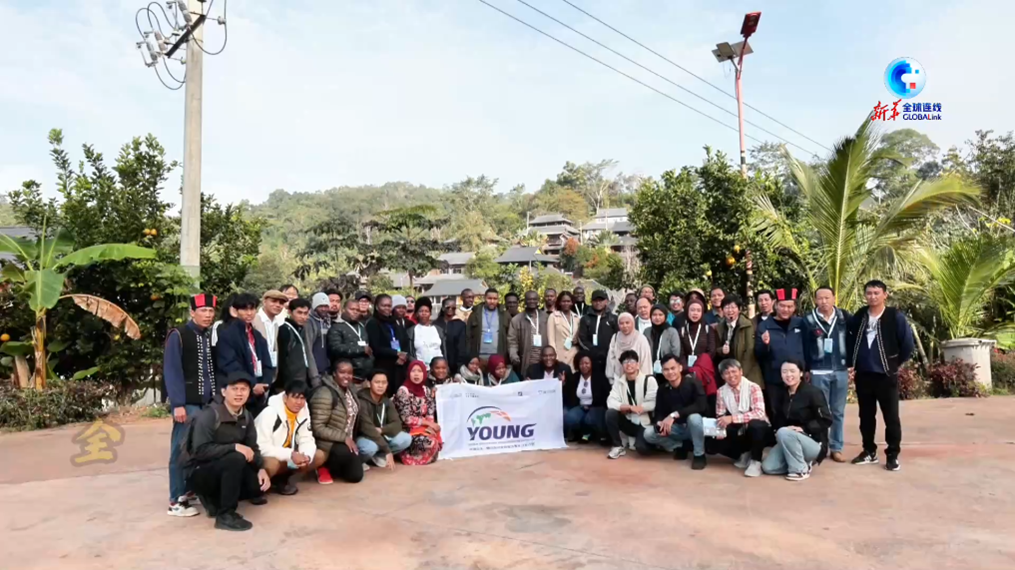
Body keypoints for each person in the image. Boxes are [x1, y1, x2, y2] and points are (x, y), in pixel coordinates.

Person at [181, 371, 270, 531]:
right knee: (236, 458)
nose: (239, 393)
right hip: (200, 472)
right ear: (223, 392)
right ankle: (225, 515)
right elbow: (200, 451)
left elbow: (253, 448)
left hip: (225, 466)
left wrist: (261, 468)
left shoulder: (246, 416)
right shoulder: (209, 415)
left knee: (256, 487)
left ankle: (215, 501)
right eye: (234, 389)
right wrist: (233, 447)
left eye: (243, 389)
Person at [845, 279, 914, 472]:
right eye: (869, 293)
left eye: (876, 293)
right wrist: (851, 362)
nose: (872, 296)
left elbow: (907, 345)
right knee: (866, 416)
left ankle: (892, 454)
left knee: (891, 417)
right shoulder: (860, 315)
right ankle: (869, 451)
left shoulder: (894, 316)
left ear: (885, 295)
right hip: (864, 374)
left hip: (886, 375)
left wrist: (893, 363)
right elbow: (849, 338)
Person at [164, 292, 217, 517]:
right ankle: (175, 501)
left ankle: (188, 490)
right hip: (187, 404)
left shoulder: (207, 335)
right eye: (203, 310)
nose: (208, 315)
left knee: (197, 449)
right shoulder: (179, 334)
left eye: (211, 310)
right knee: (180, 450)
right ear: (192, 312)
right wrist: (178, 403)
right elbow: (172, 371)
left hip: (205, 404)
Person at [762, 359, 832, 481]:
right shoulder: (782, 394)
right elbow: (779, 419)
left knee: (784, 432)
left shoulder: (813, 392)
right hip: (789, 439)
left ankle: (800, 470)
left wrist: (804, 429)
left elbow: (826, 419)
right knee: (768, 468)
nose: (788, 375)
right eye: (784, 371)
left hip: (813, 442)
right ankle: (801, 462)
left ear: (801, 373)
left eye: (792, 371)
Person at [804, 286, 852, 463]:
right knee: (820, 411)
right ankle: (821, 446)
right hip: (818, 371)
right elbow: (804, 345)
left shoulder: (844, 317)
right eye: (820, 298)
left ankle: (836, 447)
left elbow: (852, 340)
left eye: (827, 298)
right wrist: (806, 369)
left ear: (834, 298)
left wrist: (851, 364)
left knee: (838, 411)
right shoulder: (808, 320)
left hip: (840, 370)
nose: (824, 301)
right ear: (815, 300)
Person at [254, 380, 326, 495]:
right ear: (285, 397)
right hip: (267, 456)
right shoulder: (269, 412)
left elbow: (306, 438)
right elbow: (260, 447)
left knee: (318, 455)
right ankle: (257, 487)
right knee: (272, 464)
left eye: (302, 398)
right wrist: (290, 454)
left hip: (288, 455)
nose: (299, 402)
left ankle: (283, 479)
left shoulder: (304, 410)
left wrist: (306, 456)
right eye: (295, 397)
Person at [641, 355, 708, 469]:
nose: (670, 372)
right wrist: (659, 422)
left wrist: (675, 414)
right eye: (666, 369)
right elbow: (659, 411)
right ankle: (681, 446)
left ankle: (699, 454)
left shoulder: (693, 383)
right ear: (662, 371)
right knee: (648, 434)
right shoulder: (662, 389)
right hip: (675, 429)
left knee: (694, 418)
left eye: (673, 368)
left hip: (693, 428)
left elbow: (701, 405)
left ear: (680, 368)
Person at [215, 293, 275, 417]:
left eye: (252, 309)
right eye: (244, 309)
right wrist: (251, 384)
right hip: (238, 393)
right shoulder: (227, 334)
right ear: (235, 311)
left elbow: (267, 364)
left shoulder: (257, 335)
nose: (249, 313)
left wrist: (265, 384)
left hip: (258, 396)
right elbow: (229, 364)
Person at [309, 361, 364, 484]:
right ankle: (323, 466)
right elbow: (317, 427)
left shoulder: (350, 390)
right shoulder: (324, 393)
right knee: (350, 465)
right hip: (328, 443)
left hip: (346, 441)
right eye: (342, 372)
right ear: (334, 373)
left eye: (350, 373)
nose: (347, 376)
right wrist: (343, 438)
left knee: (355, 476)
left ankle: (339, 466)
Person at [715, 359, 771, 478]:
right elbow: (720, 415)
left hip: (759, 428)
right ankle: (745, 453)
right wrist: (720, 429)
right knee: (716, 438)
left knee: (755, 425)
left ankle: (756, 461)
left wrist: (732, 418)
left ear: (741, 371)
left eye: (734, 371)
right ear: (722, 376)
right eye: (727, 373)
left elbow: (759, 413)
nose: (731, 376)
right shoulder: (721, 391)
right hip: (740, 427)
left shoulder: (753, 387)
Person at [755, 288, 808, 415]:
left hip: (797, 377)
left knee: (800, 411)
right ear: (775, 305)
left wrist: (807, 369)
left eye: (790, 306)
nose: (786, 310)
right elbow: (758, 354)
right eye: (782, 306)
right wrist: (765, 344)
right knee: (776, 412)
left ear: (795, 307)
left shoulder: (800, 323)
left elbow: (808, 347)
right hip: (774, 377)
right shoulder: (764, 326)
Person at [605, 349, 658, 459]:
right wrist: (629, 407)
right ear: (622, 366)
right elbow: (610, 401)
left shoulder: (649, 380)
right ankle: (617, 446)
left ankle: (655, 443)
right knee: (610, 413)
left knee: (642, 449)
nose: (628, 364)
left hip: (645, 423)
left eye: (632, 361)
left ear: (638, 365)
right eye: (625, 362)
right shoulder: (619, 383)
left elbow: (653, 403)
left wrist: (641, 408)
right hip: (629, 422)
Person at [356, 370, 412, 469]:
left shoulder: (386, 401)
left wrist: (382, 430)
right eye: (377, 382)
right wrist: (387, 450)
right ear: (369, 383)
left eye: (384, 382)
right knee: (370, 448)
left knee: (406, 439)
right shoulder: (361, 401)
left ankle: (377, 456)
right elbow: (366, 428)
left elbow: (397, 424)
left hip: (381, 434)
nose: (380, 386)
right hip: (365, 436)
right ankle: (359, 461)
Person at [394, 360, 442, 465]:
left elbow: (430, 412)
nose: (416, 374)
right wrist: (427, 424)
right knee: (430, 442)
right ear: (408, 373)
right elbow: (406, 419)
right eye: (413, 371)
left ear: (424, 373)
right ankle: (404, 454)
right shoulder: (403, 391)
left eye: (419, 371)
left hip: (423, 427)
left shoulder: (426, 390)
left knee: (436, 433)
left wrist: (430, 427)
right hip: (406, 429)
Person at [366, 294, 410, 396]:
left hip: (400, 365)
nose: (387, 308)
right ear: (377, 307)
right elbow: (376, 347)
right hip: (383, 365)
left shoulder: (394, 322)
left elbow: (405, 340)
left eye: (389, 306)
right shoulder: (373, 323)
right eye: (384, 305)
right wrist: (396, 354)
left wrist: (403, 355)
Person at [563, 353, 610, 443]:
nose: (584, 366)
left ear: (592, 363)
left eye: (587, 363)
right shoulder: (575, 377)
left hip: (596, 406)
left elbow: (605, 395)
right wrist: (564, 384)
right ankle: (583, 434)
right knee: (569, 418)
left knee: (589, 418)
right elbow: (568, 394)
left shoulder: (599, 377)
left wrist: (591, 407)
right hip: (581, 406)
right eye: (581, 363)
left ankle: (602, 434)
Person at [716, 295, 761, 387]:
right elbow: (715, 348)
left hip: (747, 374)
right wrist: (722, 350)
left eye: (733, 307)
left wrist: (739, 374)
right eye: (727, 307)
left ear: (739, 309)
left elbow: (749, 351)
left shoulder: (748, 325)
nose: (730, 310)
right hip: (728, 375)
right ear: (722, 310)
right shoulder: (719, 327)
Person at [327, 299, 374, 383]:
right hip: (347, 376)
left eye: (358, 310)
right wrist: (361, 350)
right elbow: (336, 348)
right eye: (352, 309)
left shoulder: (361, 326)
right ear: (343, 310)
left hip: (364, 377)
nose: (355, 312)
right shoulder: (336, 327)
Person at [578, 289, 618, 381]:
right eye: (595, 300)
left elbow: (617, 337)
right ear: (591, 302)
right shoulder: (585, 319)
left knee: (608, 383)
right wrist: (593, 350)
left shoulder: (613, 319)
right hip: (591, 358)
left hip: (609, 358)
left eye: (601, 300)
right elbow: (582, 338)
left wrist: (610, 352)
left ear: (606, 301)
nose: (598, 303)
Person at [274, 298, 312, 392]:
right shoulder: (284, 330)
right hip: (288, 384)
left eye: (305, 313)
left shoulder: (302, 329)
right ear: (290, 312)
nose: (303, 317)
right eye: (299, 313)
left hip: (302, 381)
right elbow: (281, 358)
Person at [508, 291, 549, 375]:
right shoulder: (516, 320)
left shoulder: (546, 317)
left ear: (538, 300)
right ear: (525, 301)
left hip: (545, 359)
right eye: (529, 299)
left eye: (534, 299)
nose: (532, 301)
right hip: (527, 360)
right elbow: (512, 341)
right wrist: (513, 355)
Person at [466, 288, 509, 369]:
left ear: (498, 299)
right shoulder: (475, 314)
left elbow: (509, 337)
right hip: (479, 358)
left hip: (498, 359)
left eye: (495, 299)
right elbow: (468, 336)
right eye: (489, 298)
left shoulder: (504, 314)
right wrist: (471, 356)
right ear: (484, 298)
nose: (492, 301)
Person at [251, 289, 290, 377]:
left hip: (270, 371)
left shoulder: (277, 324)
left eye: (281, 303)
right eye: (274, 301)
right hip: (254, 372)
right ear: (264, 302)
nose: (278, 305)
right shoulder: (253, 320)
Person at [605, 312, 653, 379]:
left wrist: (644, 379)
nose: (624, 326)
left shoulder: (641, 339)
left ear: (632, 323)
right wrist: (611, 377)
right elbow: (611, 359)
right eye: (621, 323)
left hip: (638, 378)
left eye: (627, 323)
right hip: (618, 378)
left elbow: (645, 361)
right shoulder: (615, 338)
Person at [406, 297, 445, 370]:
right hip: (420, 369)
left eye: (426, 311)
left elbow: (443, 350)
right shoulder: (411, 331)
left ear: (430, 313)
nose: (424, 313)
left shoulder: (438, 330)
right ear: (417, 313)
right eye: (421, 311)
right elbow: (410, 353)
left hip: (438, 370)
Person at [678, 299, 717, 370]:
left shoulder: (708, 329)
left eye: (698, 310)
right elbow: (680, 353)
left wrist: (699, 365)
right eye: (692, 310)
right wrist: (686, 368)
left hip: (703, 368)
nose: (695, 313)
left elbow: (711, 351)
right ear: (687, 311)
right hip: (686, 370)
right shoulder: (682, 331)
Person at [644, 304, 681, 377]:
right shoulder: (647, 331)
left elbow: (676, 351)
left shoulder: (671, 332)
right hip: (650, 368)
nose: (657, 317)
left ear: (665, 316)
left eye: (660, 315)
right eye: (654, 315)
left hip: (668, 369)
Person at [305, 293, 333, 387]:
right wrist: (314, 376)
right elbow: (308, 350)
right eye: (320, 306)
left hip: (326, 371)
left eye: (326, 306)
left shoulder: (327, 321)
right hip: (315, 374)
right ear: (314, 307)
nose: (324, 309)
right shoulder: (309, 322)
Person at [547, 291, 579, 371]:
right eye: (563, 301)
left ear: (572, 302)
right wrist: (555, 358)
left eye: (568, 301)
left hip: (574, 355)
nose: (566, 303)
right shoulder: (553, 316)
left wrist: (577, 339)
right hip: (560, 356)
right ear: (559, 302)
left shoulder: (577, 318)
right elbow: (551, 340)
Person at [435, 297, 467, 374]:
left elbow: (462, 346)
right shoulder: (435, 324)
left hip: (455, 364)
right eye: (448, 307)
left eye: (453, 308)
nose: (450, 309)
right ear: (443, 308)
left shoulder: (460, 325)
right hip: (438, 363)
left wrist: (459, 365)